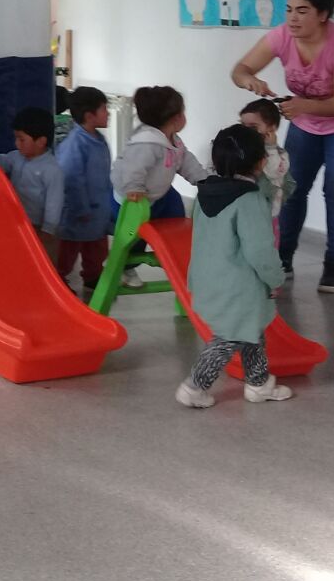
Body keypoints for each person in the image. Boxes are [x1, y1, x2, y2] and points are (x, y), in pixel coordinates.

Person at [230, 0, 334, 292]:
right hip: (307, 120)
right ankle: (282, 258)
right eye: (288, 10)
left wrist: (303, 106)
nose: (292, 18)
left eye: (302, 11)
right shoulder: (281, 36)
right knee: (291, 187)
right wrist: (250, 81)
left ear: (323, 14)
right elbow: (240, 70)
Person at [175, 124, 292, 408]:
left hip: (207, 278)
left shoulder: (205, 194)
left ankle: (258, 383)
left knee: (251, 330)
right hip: (239, 286)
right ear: (261, 162)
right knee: (229, 337)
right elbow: (260, 250)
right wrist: (275, 278)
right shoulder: (250, 200)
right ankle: (194, 387)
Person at [110, 86, 208, 288]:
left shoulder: (174, 142)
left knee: (175, 210)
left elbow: (187, 163)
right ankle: (125, 266)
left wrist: (204, 180)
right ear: (177, 117)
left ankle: (174, 252)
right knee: (134, 237)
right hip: (133, 200)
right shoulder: (147, 142)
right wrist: (133, 186)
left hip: (158, 194)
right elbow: (133, 166)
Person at [55, 87, 113, 296]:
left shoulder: (98, 139)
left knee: (97, 247)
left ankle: (92, 275)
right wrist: (81, 208)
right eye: (104, 109)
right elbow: (71, 179)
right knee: (68, 248)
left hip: (97, 208)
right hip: (78, 211)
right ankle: (58, 280)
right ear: (89, 116)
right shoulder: (75, 144)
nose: (108, 113)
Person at [0, 107, 65, 268]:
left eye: (22, 139)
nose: (17, 143)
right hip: (20, 222)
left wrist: (49, 229)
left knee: (45, 263)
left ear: (41, 142)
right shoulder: (17, 157)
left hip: (41, 228)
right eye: (16, 138)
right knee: (23, 260)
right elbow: (0, 161)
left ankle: (50, 282)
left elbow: (54, 202)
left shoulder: (51, 169)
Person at [239, 99, 296, 247]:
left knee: (266, 246)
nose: (246, 131)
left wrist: (270, 148)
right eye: (243, 125)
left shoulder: (280, 154)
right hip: (245, 210)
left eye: (253, 127)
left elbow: (273, 172)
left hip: (267, 213)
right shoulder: (241, 148)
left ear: (271, 128)